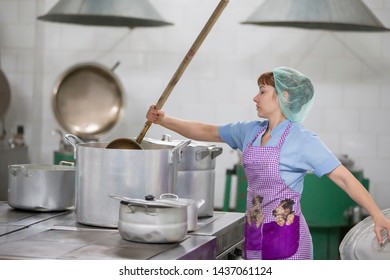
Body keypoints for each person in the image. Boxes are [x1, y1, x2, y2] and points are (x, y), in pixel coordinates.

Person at [146, 66, 390, 260]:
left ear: (283, 96)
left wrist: (378, 217)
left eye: (262, 91)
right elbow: (207, 131)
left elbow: (345, 179)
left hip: (288, 242)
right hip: (254, 236)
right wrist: (164, 120)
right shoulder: (249, 131)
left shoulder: (302, 140)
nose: (255, 97)